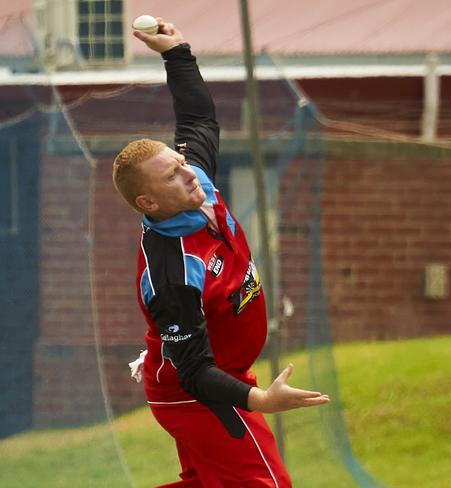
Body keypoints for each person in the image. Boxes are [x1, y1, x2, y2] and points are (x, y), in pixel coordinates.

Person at [112, 18, 330, 488]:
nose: (187, 173)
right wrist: (259, 403)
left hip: (219, 376)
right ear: (148, 203)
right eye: (171, 175)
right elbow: (192, 371)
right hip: (195, 394)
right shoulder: (172, 273)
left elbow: (198, 119)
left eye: (180, 162)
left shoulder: (198, 184)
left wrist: (177, 53)